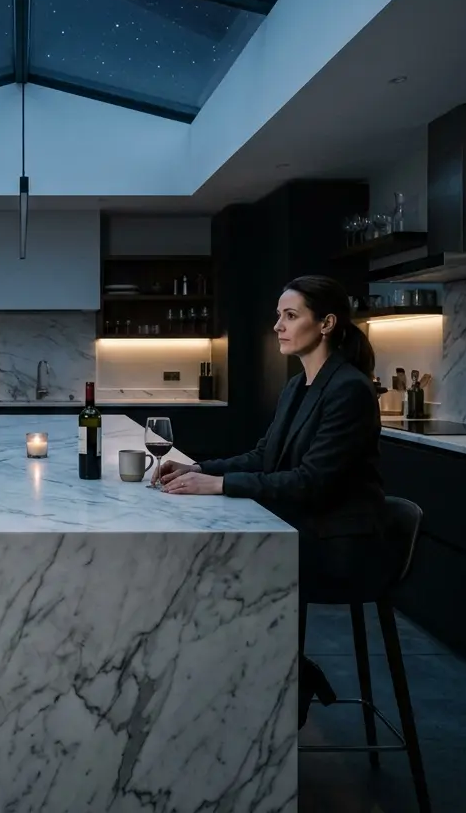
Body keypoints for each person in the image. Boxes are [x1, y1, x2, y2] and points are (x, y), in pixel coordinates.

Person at [156, 274, 389, 728]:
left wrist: (221, 487)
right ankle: (254, 683)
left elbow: (312, 482)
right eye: (278, 316)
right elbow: (266, 456)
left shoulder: (349, 390)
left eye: (290, 316)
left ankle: (274, 685)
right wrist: (200, 469)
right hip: (309, 527)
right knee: (223, 563)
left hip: (342, 544)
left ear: (326, 324)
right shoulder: (299, 386)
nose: (278, 326)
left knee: (233, 564)